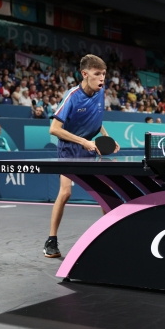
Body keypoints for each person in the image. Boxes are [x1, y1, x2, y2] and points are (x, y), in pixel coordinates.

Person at [45, 55, 119, 258]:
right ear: (85, 74)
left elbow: (96, 119)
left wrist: (107, 138)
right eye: (97, 74)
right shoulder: (72, 96)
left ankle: (113, 234)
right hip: (70, 148)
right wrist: (83, 142)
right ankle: (51, 240)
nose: (102, 79)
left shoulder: (100, 91)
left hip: (91, 146)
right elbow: (54, 129)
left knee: (107, 190)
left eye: (104, 74)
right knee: (66, 192)